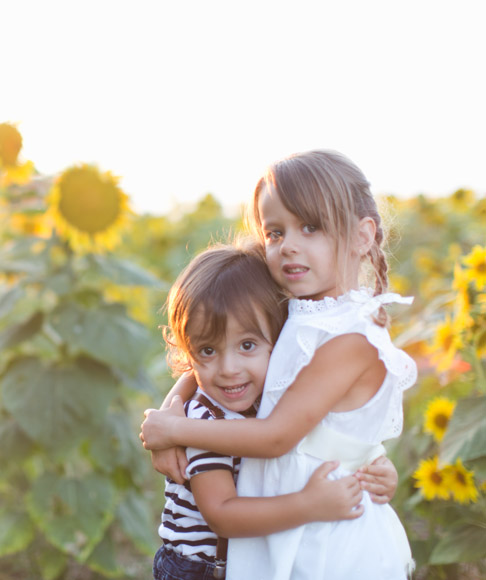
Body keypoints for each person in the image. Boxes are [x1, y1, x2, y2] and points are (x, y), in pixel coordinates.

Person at [141, 150, 416, 580]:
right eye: (274, 232)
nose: (288, 245)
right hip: (277, 531)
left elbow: (276, 437)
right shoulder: (298, 307)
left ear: (362, 236)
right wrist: (170, 412)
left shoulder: (350, 339)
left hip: (324, 535)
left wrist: (173, 430)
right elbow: (210, 355)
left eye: (311, 227)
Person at [152, 240, 395, 580]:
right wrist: (308, 506)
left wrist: (372, 465)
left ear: (277, 340)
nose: (228, 368)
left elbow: (319, 439)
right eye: (207, 350)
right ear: (188, 353)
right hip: (201, 570)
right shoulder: (206, 421)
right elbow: (223, 515)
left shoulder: (274, 396)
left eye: (247, 345)